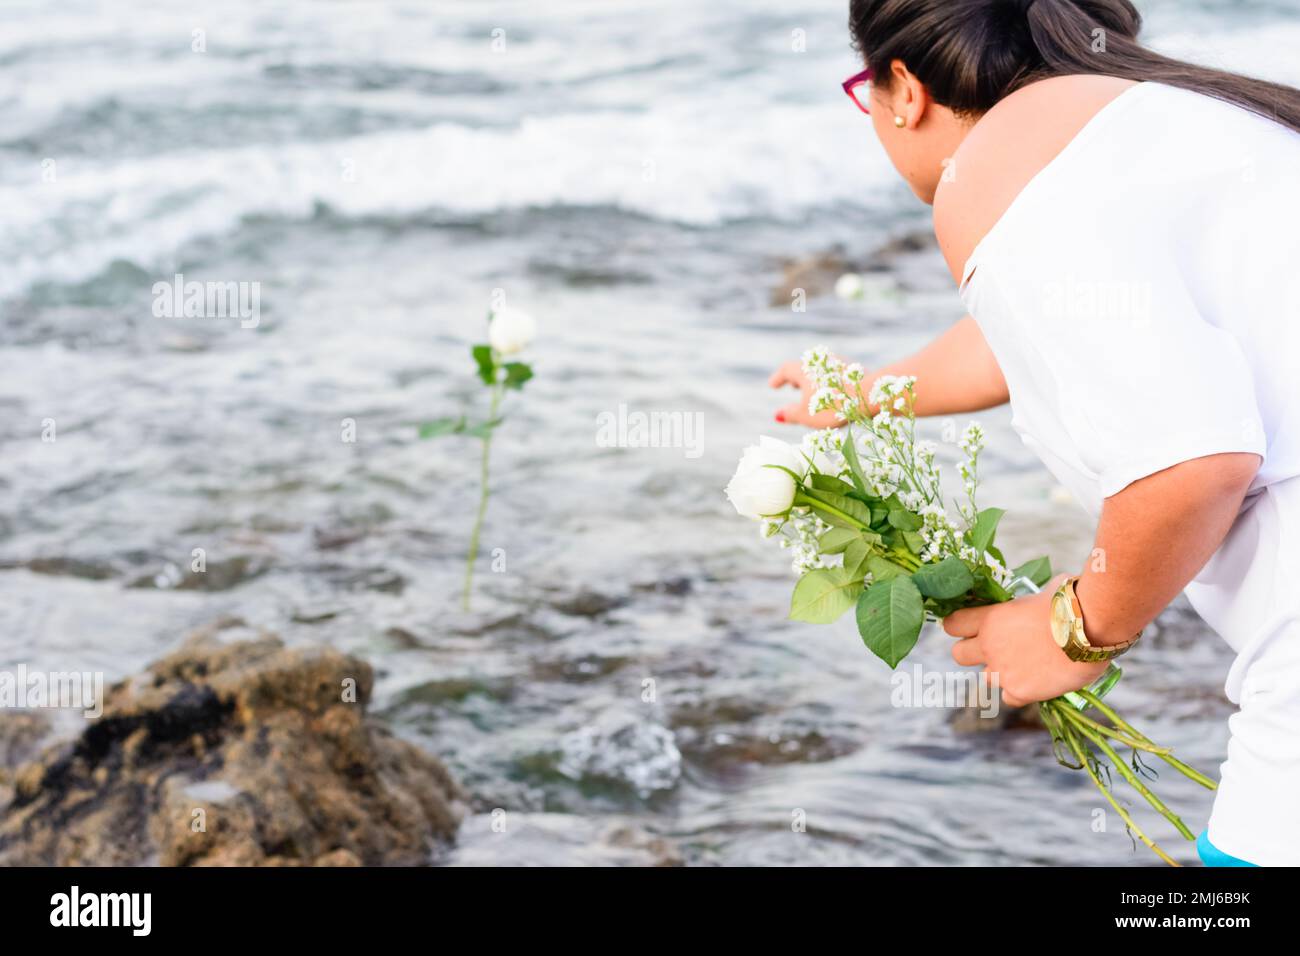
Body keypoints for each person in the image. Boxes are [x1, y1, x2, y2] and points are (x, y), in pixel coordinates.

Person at [771, 0, 1300, 866]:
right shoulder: (1169, 121)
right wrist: (864, 392)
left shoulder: (990, 172)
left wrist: (1075, 627)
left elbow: (1195, 456)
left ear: (902, 89)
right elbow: (1053, 327)